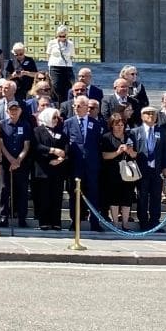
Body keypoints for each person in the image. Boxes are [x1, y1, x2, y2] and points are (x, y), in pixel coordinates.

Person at [64, 96, 105, 231]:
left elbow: (99, 143)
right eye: (74, 105)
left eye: (79, 106)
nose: (76, 108)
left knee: (93, 194)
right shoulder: (68, 123)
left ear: (87, 107)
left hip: (91, 166)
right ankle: (75, 222)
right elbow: (65, 142)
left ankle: (94, 222)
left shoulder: (96, 124)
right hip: (75, 166)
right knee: (74, 195)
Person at [99, 109, 137, 230]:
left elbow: (135, 154)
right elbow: (104, 155)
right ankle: (115, 223)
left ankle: (125, 224)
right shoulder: (106, 137)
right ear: (112, 125)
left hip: (128, 171)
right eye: (117, 125)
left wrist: (129, 151)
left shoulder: (130, 136)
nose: (120, 127)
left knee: (127, 197)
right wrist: (118, 152)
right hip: (112, 171)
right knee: (114, 197)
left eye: (122, 125)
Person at [130, 106, 166, 231]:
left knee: (156, 196)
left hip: (156, 169)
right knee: (142, 196)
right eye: (147, 113)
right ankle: (143, 222)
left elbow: (165, 151)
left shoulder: (161, 132)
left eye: (153, 114)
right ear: (141, 116)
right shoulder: (135, 132)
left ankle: (155, 221)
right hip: (141, 170)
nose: (150, 115)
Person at [32, 105, 68, 230]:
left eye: (57, 118)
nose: (55, 120)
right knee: (44, 197)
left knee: (56, 197)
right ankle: (44, 221)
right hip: (43, 169)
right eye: (53, 118)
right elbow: (36, 147)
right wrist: (52, 150)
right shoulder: (38, 131)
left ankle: (56, 222)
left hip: (57, 169)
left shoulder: (60, 132)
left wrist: (60, 159)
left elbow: (65, 147)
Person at [0, 99, 32, 228]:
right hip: (6, 163)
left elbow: (26, 145)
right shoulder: (1, 124)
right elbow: (1, 144)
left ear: (20, 111)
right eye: (11, 110)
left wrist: (18, 160)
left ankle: (22, 218)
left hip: (21, 163)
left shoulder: (26, 125)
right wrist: (10, 159)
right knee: (4, 189)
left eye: (15, 109)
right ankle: (4, 217)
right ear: (7, 111)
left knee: (22, 190)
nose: (13, 112)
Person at [45, 26, 75, 104]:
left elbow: (72, 55)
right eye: (60, 36)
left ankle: (66, 103)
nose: (62, 37)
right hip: (55, 67)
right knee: (56, 86)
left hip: (67, 67)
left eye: (63, 36)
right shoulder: (52, 42)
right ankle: (56, 103)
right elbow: (48, 55)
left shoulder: (70, 44)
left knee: (68, 87)